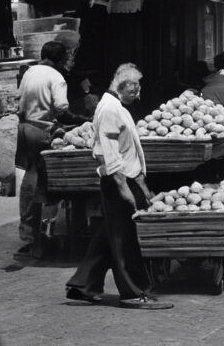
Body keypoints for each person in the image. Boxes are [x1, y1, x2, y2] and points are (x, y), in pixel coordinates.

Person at [66, 64, 171, 309]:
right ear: (122, 87)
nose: (139, 95)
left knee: (109, 234)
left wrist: (141, 185)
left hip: (124, 179)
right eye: (134, 91)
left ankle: (83, 284)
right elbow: (110, 157)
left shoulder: (114, 106)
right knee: (124, 240)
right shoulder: (110, 110)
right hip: (119, 181)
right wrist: (125, 191)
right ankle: (132, 292)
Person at [15, 40, 85, 258]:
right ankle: (38, 240)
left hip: (24, 128)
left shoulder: (29, 71)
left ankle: (29, 234)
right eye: (67, 58)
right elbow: (62, 111)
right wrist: (84, 120)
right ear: (60, 59)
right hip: (41, 130)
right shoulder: (56, 77)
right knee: (40, 184)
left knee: (29, 178)